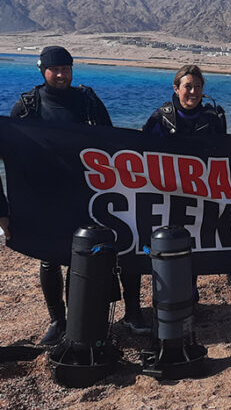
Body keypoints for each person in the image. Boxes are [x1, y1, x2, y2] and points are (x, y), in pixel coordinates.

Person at [10, 46, 149, 345]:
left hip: (87, 193)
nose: (61, 75)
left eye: (66, 68)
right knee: (49, 259)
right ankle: (57, 321)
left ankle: (78, 318)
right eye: (55, 69)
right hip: (44, 196)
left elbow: (111, 141)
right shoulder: (27, 107)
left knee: (81, 256)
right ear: (42, 70)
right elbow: (11, 155)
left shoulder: (87, 101)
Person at [142, 64, 229, 301]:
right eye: (187, 86)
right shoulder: (161, 117)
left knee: (195, 242)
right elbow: (141, 153)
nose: (193, 92)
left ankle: (190, 293)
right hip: (166, 194)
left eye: (197, 87)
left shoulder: (213, 118)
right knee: (169, 244)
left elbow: (226, 154)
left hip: (201, 194)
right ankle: (168, 295)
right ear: (176, 87)